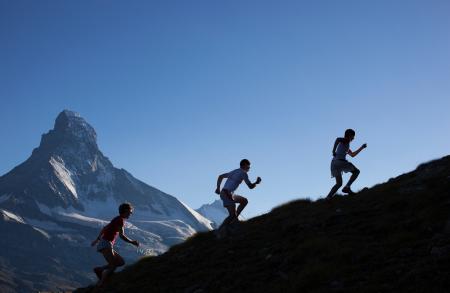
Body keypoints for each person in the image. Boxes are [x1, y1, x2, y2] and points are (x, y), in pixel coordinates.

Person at [91, 203, 139, 288]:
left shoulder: (116, 219)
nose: (131, 214)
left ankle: (100, 270)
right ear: (126, 211)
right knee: (113, 265)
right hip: (106, 244)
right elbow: (122, 236)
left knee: (121, 262)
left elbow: (104, 228)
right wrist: (132, 242)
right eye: (130, 212)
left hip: (105, 243)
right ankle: (101, 283)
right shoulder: (120, 220)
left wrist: (97, 240)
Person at [215, 159, 262, 230]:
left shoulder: (235, 171)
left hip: (227, 193)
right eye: (248, 167)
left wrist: (218, 188)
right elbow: (250, 186)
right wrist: (256, 182)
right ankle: (220, 230)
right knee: (232, 215)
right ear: (244, 166)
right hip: (227, 193)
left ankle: (234, 221)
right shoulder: (243, 173)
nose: (249, 169)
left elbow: (220, 176)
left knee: (244, 201)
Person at [327, 129, 367, 198]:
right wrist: (333, 150)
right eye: (353, 136)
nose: (353, 138)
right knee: (356, 171)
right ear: (349, 135)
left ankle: (328, 198)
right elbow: (337, 139)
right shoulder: (346, 140)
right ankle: (347, 187)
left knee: (339, 184)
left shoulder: (346, 145)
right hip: (340, 161)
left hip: (334, 163)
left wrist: (361, 148)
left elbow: (352, 155)